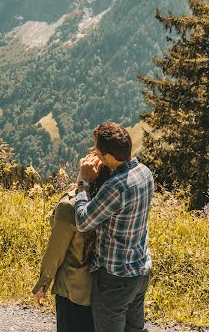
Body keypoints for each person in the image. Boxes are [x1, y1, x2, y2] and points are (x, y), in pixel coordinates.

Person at [75, 122, 154, 332]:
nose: (95, 153)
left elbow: (83, 221)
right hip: (139, 270)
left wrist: (83, 181)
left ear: (109, 157)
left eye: (97, 150)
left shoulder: (115, 187)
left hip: (114, 278)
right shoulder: (145, 173)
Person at [33, 166, 110, 332]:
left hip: (73, 290)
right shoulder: (110, 200)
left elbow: (55, 251)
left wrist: (43, 284)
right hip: (103, 289)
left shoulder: (70, 206)